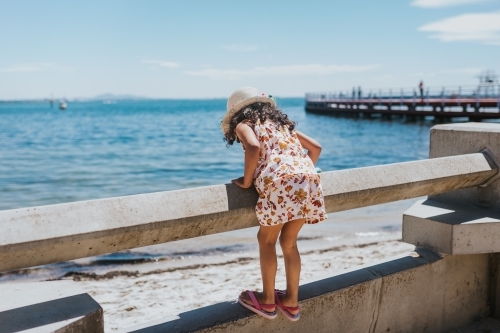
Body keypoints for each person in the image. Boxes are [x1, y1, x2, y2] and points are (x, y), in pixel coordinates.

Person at [220, 87, 327, 321]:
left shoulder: (244, 125)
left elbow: (254, 148)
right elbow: (316, 148)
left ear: (237, 112)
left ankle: (268, 301)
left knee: (266, 239)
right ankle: (291, 301)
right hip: (308, 180)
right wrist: (299, 171)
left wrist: (247, 181)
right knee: (289, 243)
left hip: (279, 183)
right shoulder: (283, 126)